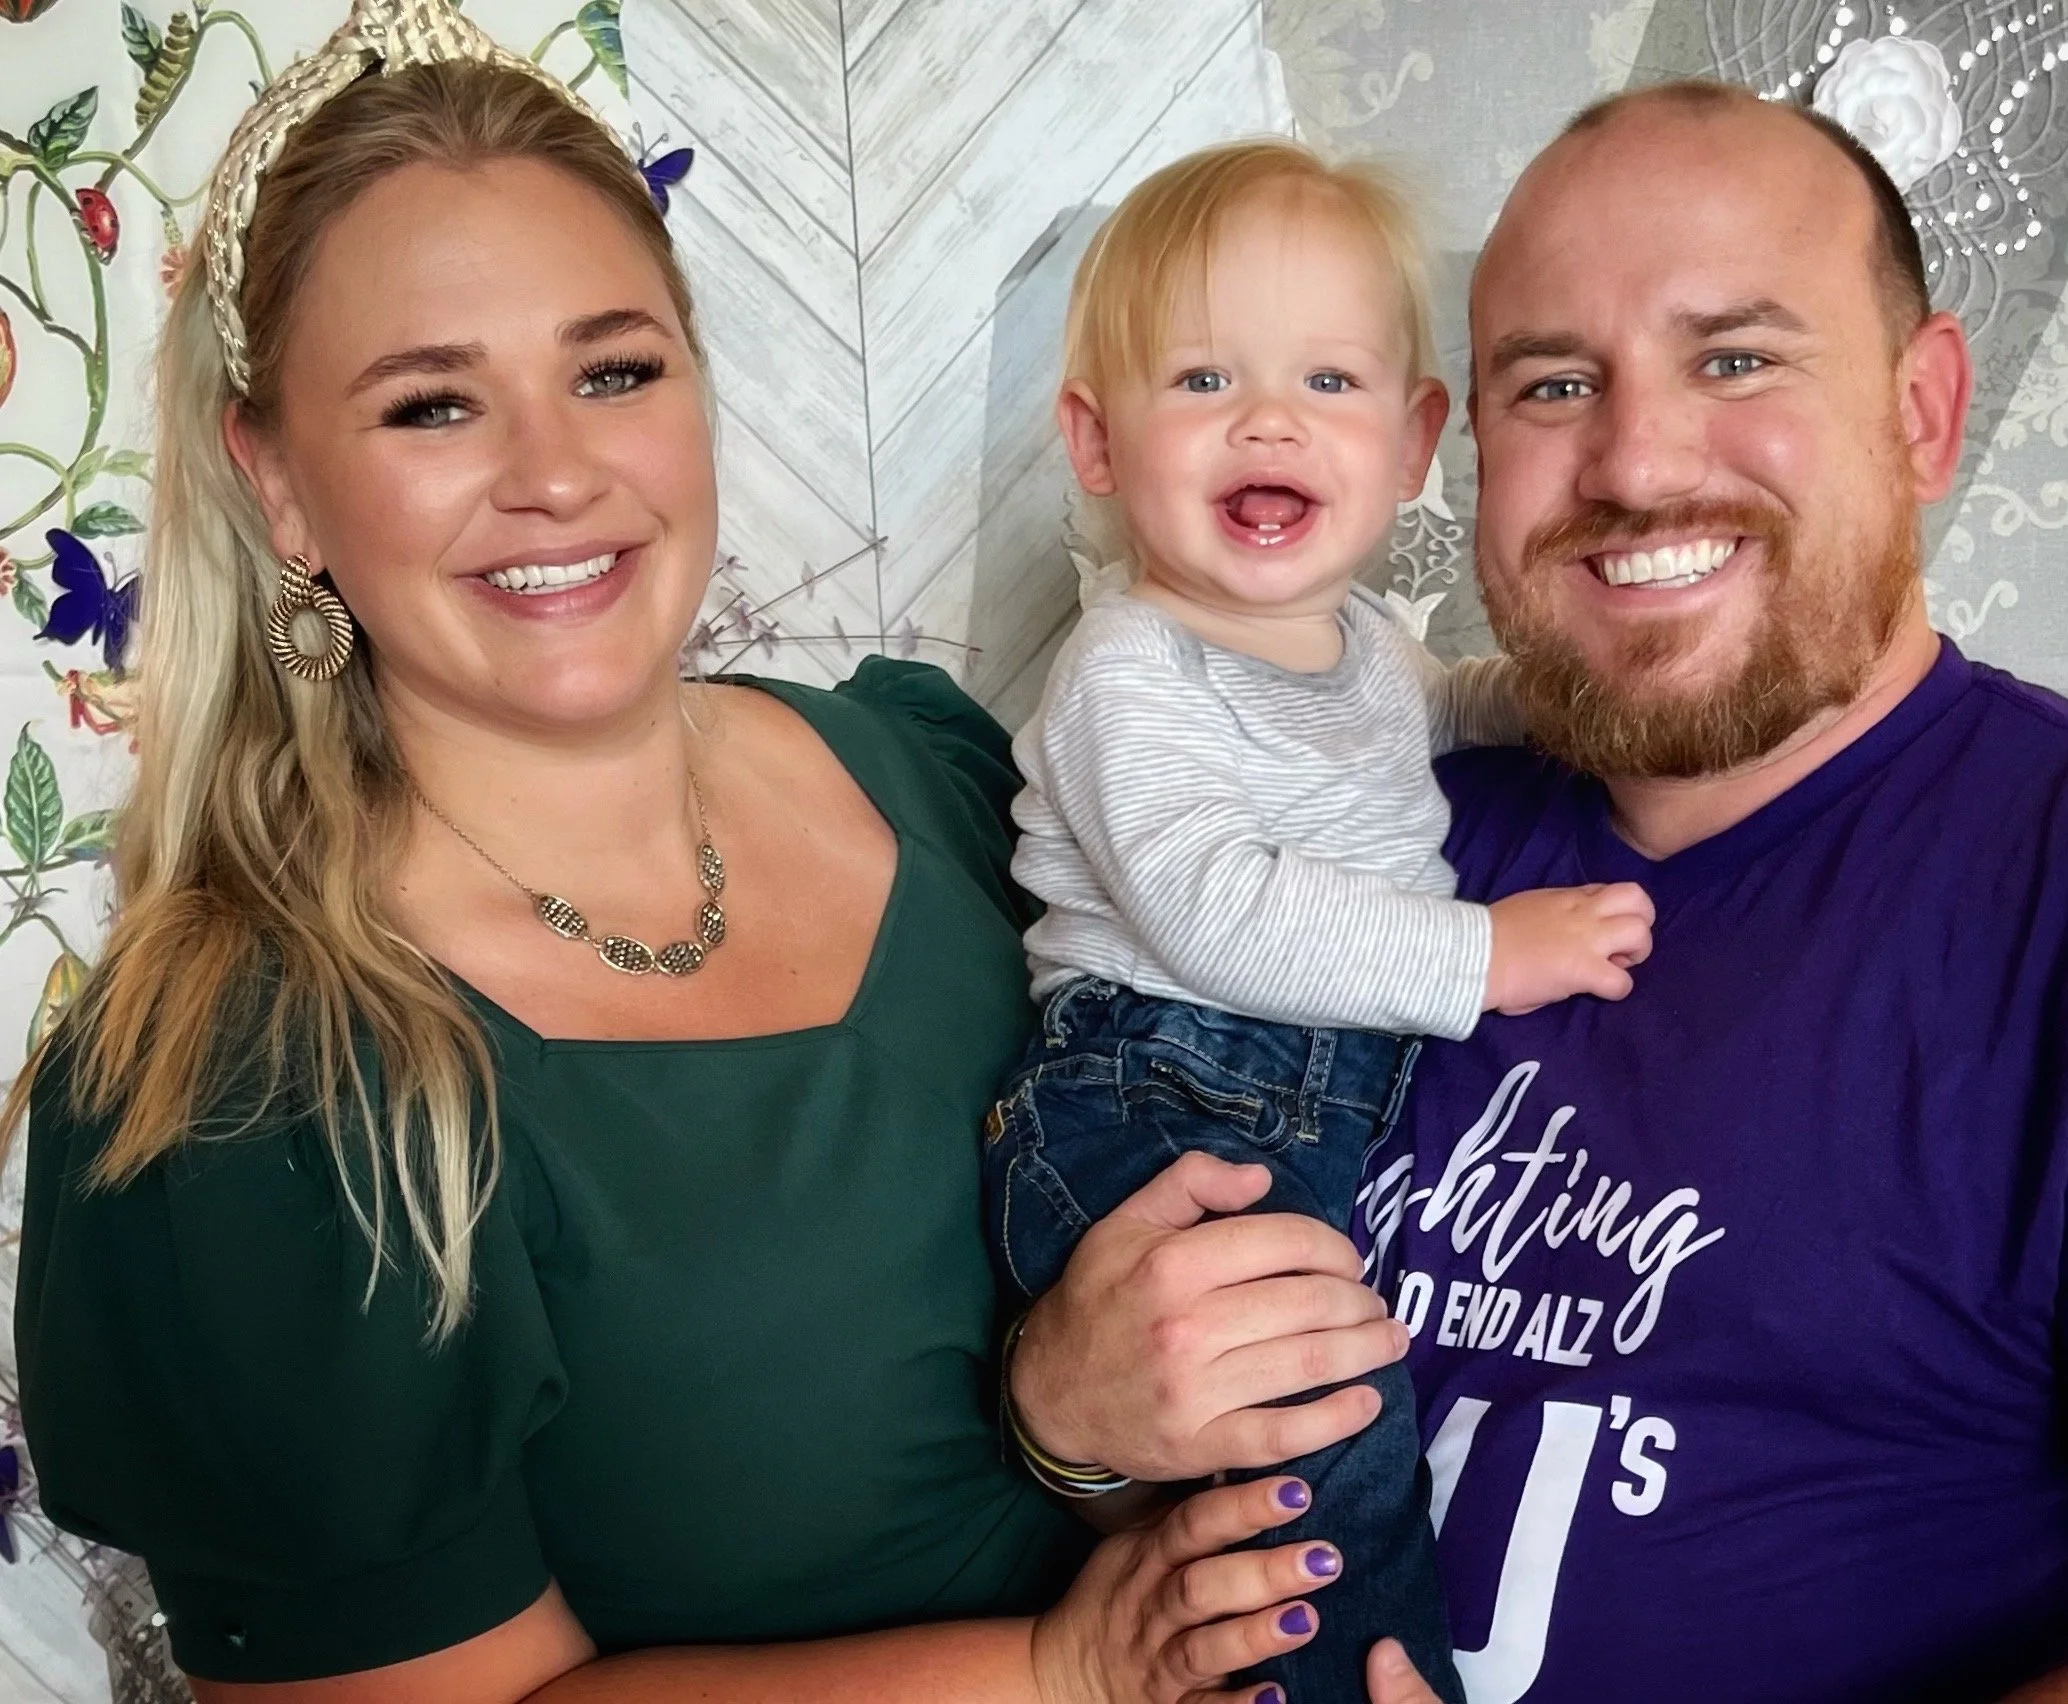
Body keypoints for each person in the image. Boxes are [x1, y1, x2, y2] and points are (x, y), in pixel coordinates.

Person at [12, 8, 1355, 1700]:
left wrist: (1070, 1436)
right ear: (275, 480)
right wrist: (1062, 1673)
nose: (555, 473)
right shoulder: (244, 1085)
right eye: (433, 405)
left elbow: (1140, 1362)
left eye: (613, 372)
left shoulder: (932, 770)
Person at [1003, 81, 2068, 1703]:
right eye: (1553, 384)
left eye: (1733, 359)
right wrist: (1068, 1425)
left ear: (1921, 411)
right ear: (1470, 448)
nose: (1636, 461)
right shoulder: (1381, 834)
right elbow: (1179, 1434)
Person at [988, 139, 1656, 1704]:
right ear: (1095, 440)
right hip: (1159, 1098)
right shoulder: (1128, 668)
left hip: (1287, 1098)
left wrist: (1569, 693)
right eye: (1202, 378)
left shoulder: (1358, 646)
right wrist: (1489, 955)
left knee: (1320, 1411)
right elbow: (1215, 913)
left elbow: (1452, 706)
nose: (1269, 420)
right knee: (1325, 1427)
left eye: (1329, 382)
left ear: (1414, 441)